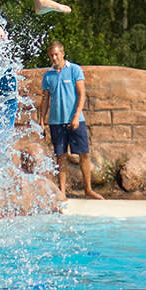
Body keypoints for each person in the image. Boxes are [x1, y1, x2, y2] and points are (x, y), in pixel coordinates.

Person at [39, 40, 103, 200]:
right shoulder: (48, 75)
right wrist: (41, 121)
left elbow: (82, 94)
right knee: (60, 156)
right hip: (56, 122)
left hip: (76, 120)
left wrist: (76, 116)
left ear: (62, 53)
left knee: (84, 154)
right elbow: (45, 99)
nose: (54, 58)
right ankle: (62, 191)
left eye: (56, 54)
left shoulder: (74, 70)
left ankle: (88, 190)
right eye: (51, 55)